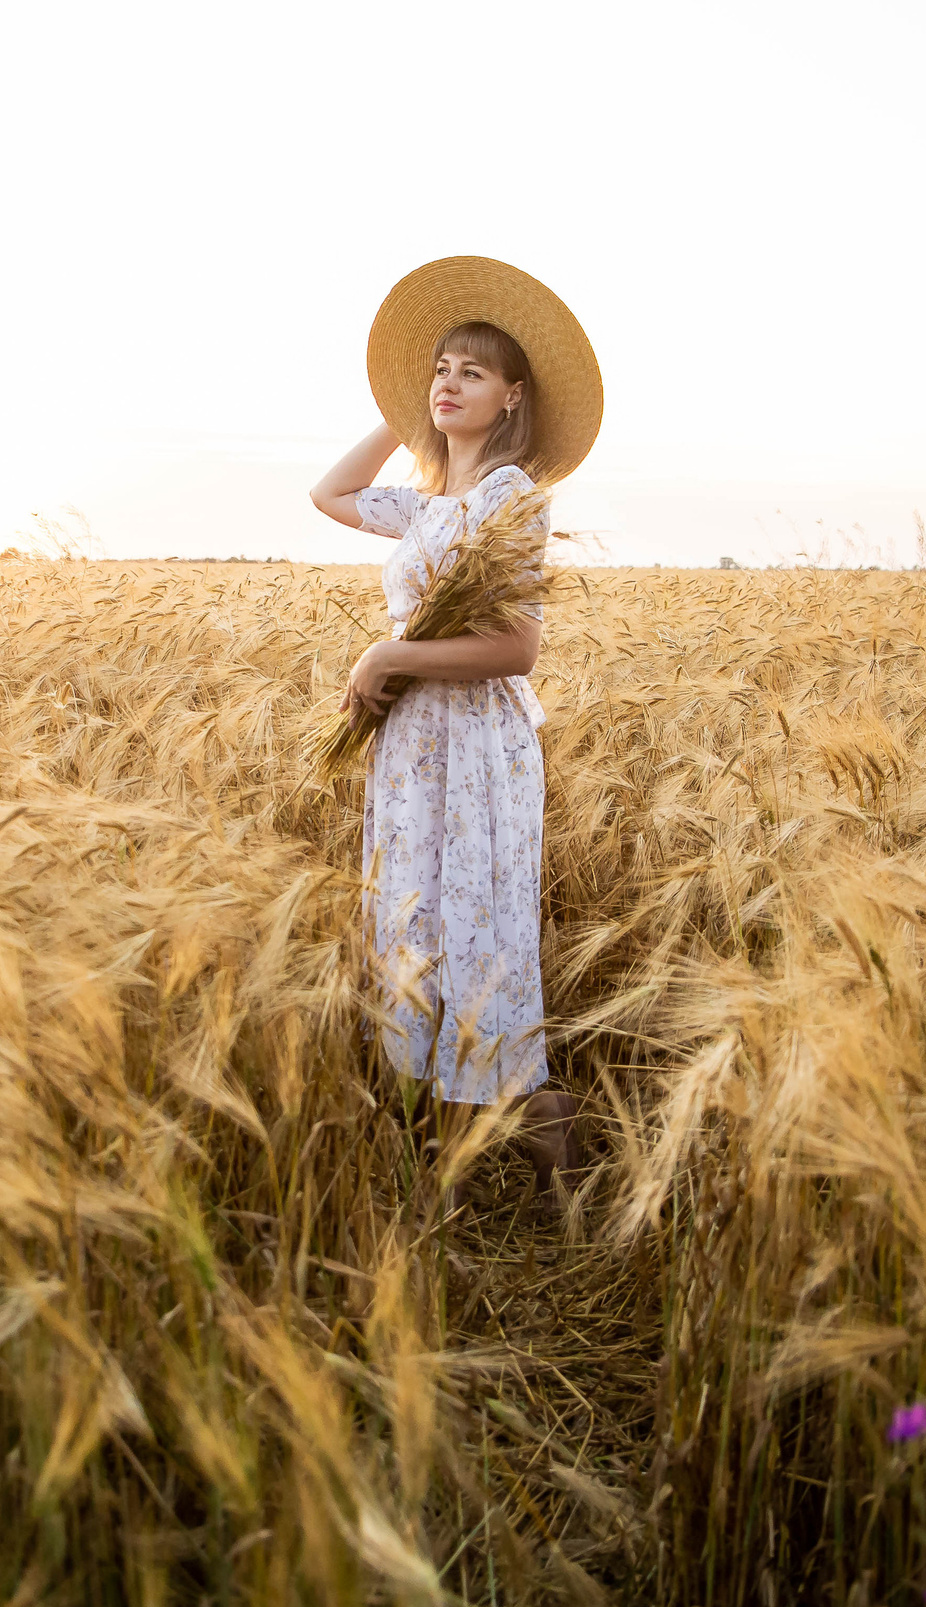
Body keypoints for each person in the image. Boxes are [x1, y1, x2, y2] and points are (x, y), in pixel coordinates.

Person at [307, 257, 605, 1202]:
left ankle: (557, 1169)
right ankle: (453, 1165)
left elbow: (516, 647)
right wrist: (405, 413)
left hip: (475, 748)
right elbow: (330, 492)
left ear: (512, 396)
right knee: (418, 932)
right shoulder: (431, 503)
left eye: (471, 372)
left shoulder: (510, 496)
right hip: (411, 754)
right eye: (439, 367)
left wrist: (387, 659)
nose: (448, 381)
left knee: (480, 939)